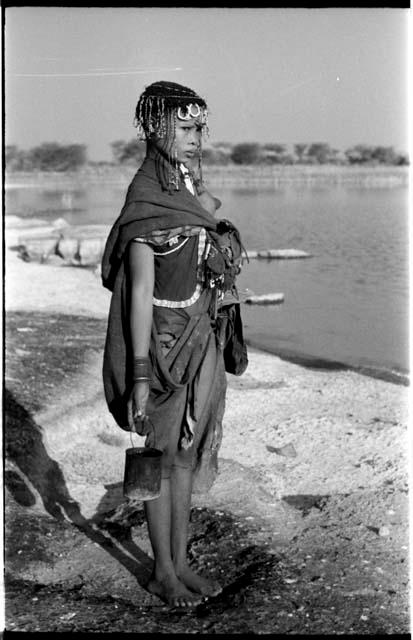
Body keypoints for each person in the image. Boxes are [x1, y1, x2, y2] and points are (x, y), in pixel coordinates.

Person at [101, 80, 247, 608]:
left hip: (201, 341)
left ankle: (181, 563)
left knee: (184, 455)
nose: (194, 138)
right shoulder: (145, 199)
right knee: (159, 459)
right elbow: (139, 292)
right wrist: (139, 374)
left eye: (197, 129)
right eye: (184, 128)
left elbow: (207, 227)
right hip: (161, 349)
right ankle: (161, 572)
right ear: (156, 130)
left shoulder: (188, 189)